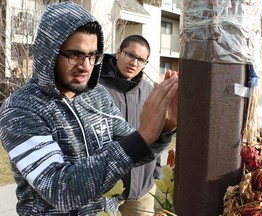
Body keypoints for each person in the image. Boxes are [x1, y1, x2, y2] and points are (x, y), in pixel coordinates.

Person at [0, 2, 178, 216]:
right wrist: (143, 135)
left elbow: (133, 152)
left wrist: (163, 130)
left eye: (93, 55)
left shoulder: (96, 95)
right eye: (75, 55)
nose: (86, 66)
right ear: (48, 53)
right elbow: (59, 189)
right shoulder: (21, 109)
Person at [99, 35, 163, 215]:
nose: (134, 62)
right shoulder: (95, 87)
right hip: (106, 190)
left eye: (141, 59)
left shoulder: (149, 91)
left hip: (142, 189)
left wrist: (156, 171)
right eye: (130, 55)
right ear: (118, 52)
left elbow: (156, 132)